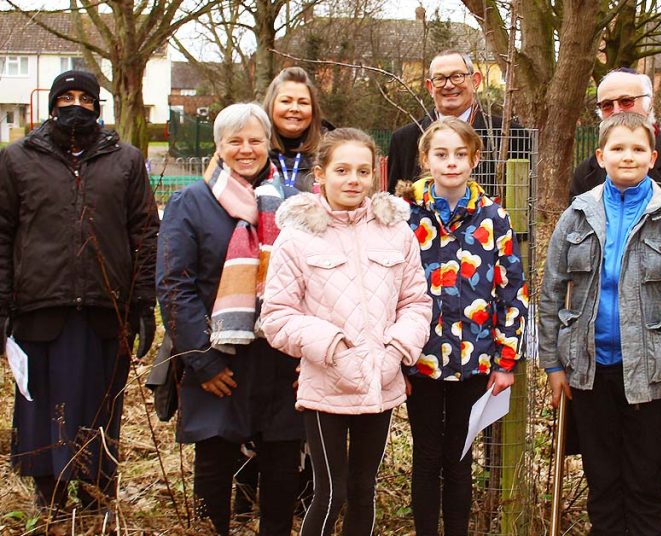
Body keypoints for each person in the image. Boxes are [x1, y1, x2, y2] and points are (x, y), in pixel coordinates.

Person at [538, 112, 661, 535]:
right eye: (617, 148)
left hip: (651, 375)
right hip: (590, 372)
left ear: (652, 157)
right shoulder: (578, 216)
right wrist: (554, 366)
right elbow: (551, 293)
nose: (626, 156)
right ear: (600, 156)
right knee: (603, 481)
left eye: (636, 149)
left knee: (646, 483)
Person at [0, 70, 159, 513]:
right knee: (41, 408)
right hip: (38, 308)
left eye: (85, 99)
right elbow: (2, 233)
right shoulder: (17, 160)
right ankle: (48, 498)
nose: (76, 106)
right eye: (66, 97)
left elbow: (145, 232)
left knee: (98, 404)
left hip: (103, 309)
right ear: (52, 104)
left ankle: (95, 497)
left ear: (98, 106)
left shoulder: (125, 160)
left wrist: (143, 302)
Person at [261, 128, 433, 535]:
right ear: (320, 174)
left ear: (376, 174)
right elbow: (277, 315)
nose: (353, 179)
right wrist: (332, 347)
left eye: (362, 170)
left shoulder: (396, 232)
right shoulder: (297, 238)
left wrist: (395, 352)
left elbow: (416, 302)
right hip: (327, 385)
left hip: (381, 380)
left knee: (363, 488)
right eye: (342, 170)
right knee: (331, 491)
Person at [157, 103, 304, 536]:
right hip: (218, 359)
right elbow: (174, 284)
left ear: (268, 144)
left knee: (281, 465)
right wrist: (202, 360)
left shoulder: (294, 205)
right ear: (219, 148)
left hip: (279, 358)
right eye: (234, 141)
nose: (246, 149)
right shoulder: (191, 202)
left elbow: (312, 283)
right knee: (215, 465)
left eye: (255, 140)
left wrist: (305, 357)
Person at [394, 117, 528, 536]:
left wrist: (507, 360)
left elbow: (513, 293)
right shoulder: (404, 217)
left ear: (475, 158)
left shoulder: (494, 217)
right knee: (426, 456)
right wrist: (395, 357)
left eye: (460, 154)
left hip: (476, 359)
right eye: (441, 154)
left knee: (460, 457)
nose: (451, 163)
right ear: (425, 159)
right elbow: (385, 288)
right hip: (421, 359)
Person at [569, 68, 661, 274]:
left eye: (626, 101)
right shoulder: (586, 173)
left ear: (649, 104)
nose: (617, 111)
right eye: (606, 105)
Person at [387, 50, 527, 194]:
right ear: (430, 87)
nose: (448, 85)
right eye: (440, 78)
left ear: (475, 81)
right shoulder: (403, 140)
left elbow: (524, 204)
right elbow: (394, 205)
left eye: (457, 76)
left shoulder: (512, 137)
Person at [263, 66, 335, 192]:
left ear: (313, 109)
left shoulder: (332, 149)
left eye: (303, 103)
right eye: (286, 101)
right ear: (271, 105)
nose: (295, 108)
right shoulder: (252, 149)